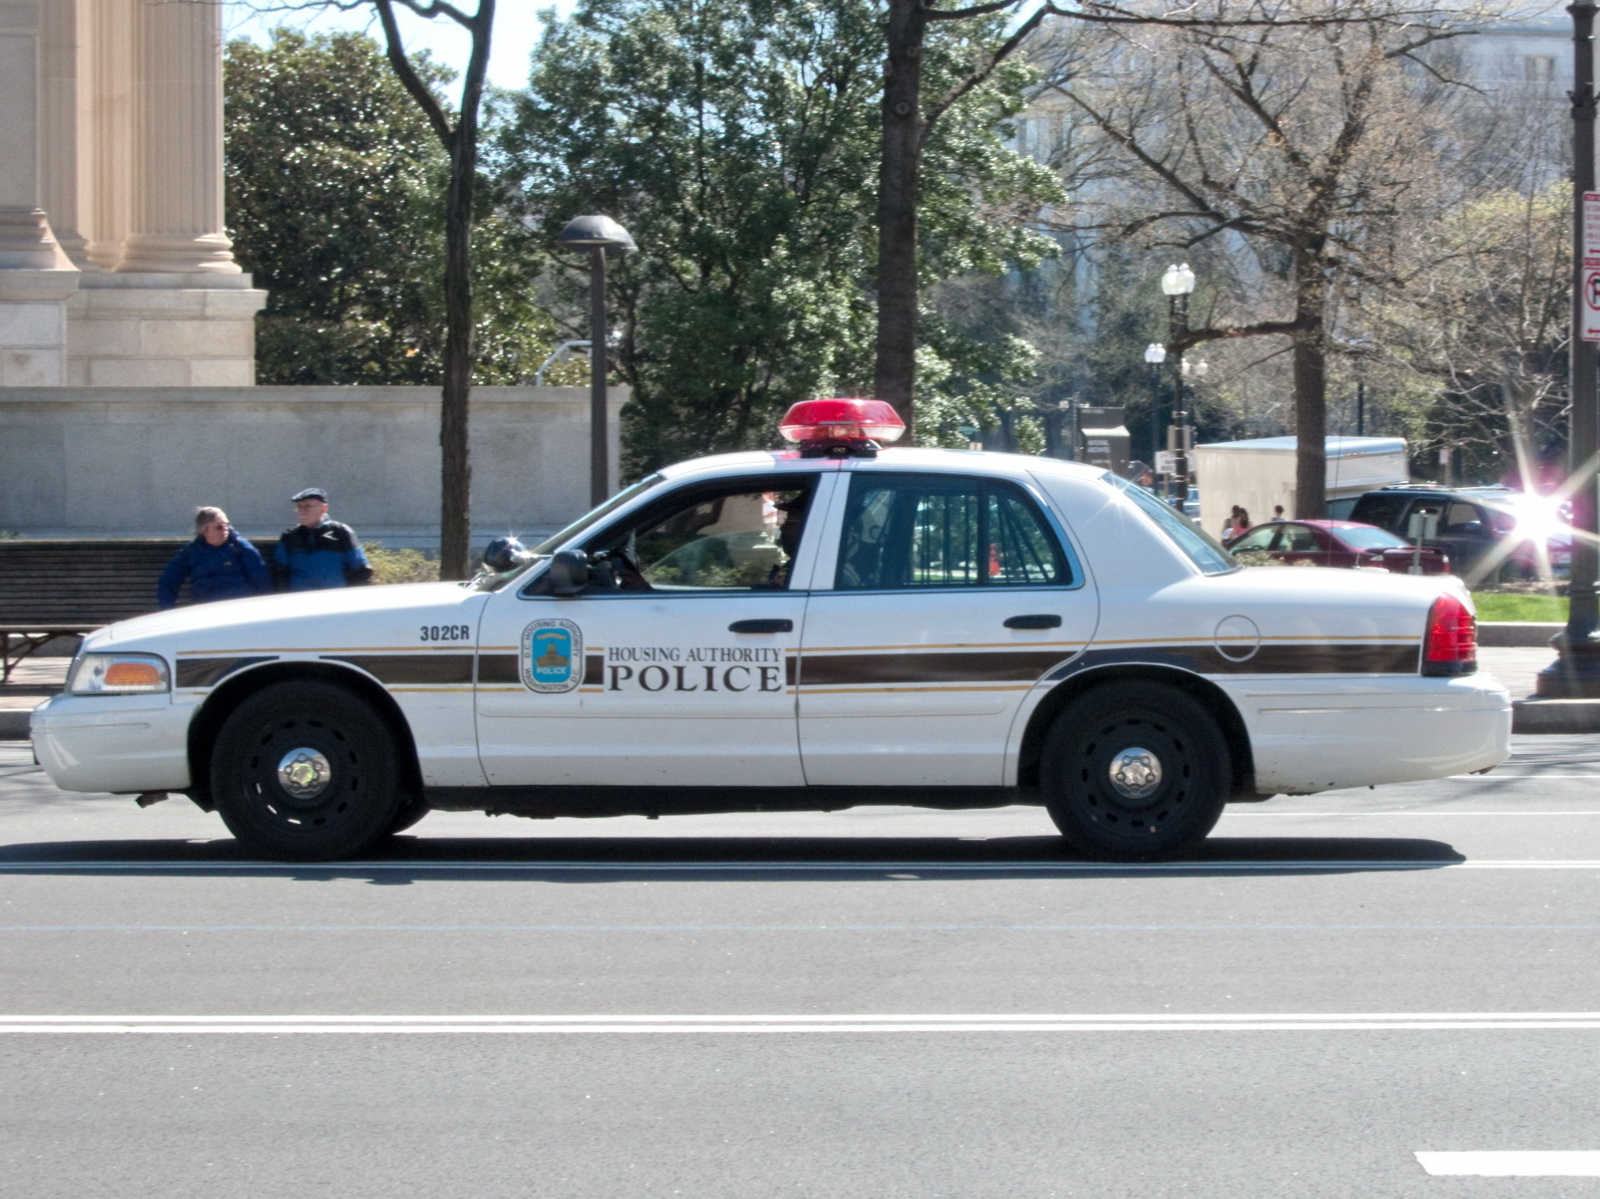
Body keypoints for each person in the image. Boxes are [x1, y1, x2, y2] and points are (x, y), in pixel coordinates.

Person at [156, 507, 271, 610]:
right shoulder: (191, 552)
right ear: (204, 529)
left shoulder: (241, 547)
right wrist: (168, 611)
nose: (225, 530)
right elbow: (168, 582)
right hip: (206, 610)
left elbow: (261, 580)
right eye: (219, 527)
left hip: (239, 609)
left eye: (227, 525)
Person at [274, 487, 373, 592]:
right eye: (299, 507)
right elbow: (280, 572)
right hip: (300, 599)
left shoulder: (341, 532)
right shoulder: (290, 535)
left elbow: (361, 569)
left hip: (335, 598)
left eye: (307, 506)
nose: (302, 511)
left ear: (324, 508)